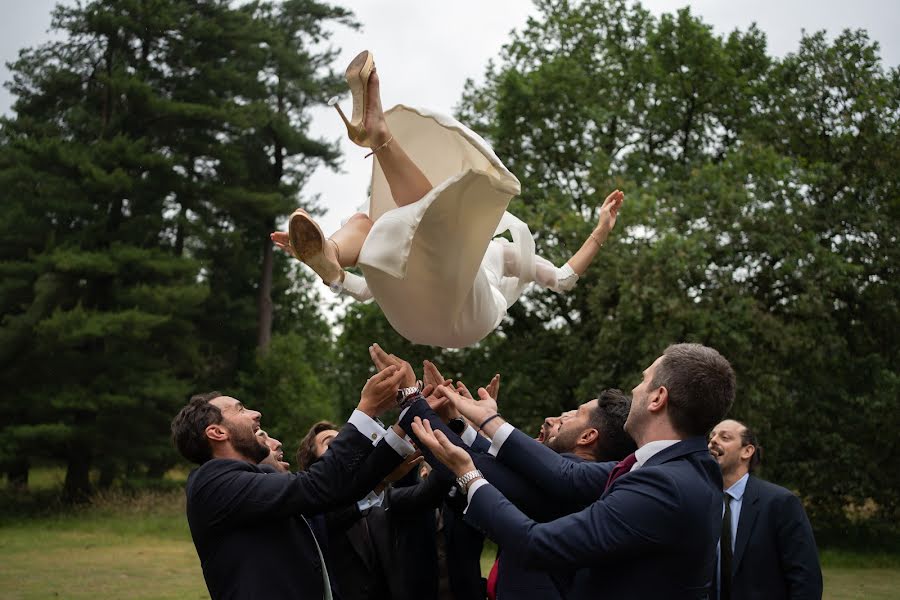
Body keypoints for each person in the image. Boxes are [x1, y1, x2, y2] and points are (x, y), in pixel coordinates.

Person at [271, 50, 624, 348]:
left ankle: (378, 137)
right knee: (370, 222)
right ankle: (330, 253)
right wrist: (336, 279)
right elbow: (366, 291)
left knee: (425, 221)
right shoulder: (421, 245)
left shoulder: (504, 253)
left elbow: (562, 279)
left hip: (468, 319)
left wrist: (601, 231)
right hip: (412, 315)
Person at [410, 343, 736, 599]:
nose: (635, 388)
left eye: (644, 379)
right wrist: (485, 422)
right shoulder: (681, 469)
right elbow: (561, 476)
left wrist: (468, 473)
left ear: (657, 398)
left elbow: (538, 543)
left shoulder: (665, 485)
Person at [170, 364, 413, 600]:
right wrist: (366, 411)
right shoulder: (213, 482)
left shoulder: (253, 482)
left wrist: (409, 418)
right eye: (241, 409)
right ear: (217, 433)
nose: (256, 414)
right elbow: (316, 486)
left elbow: (328, 508)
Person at [707, 419, 823, 600]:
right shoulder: (701, 501)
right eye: (711, 436)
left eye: (725, 437)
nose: (713, 441)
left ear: (747, 451)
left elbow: (805, 578)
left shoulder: (780, 503)